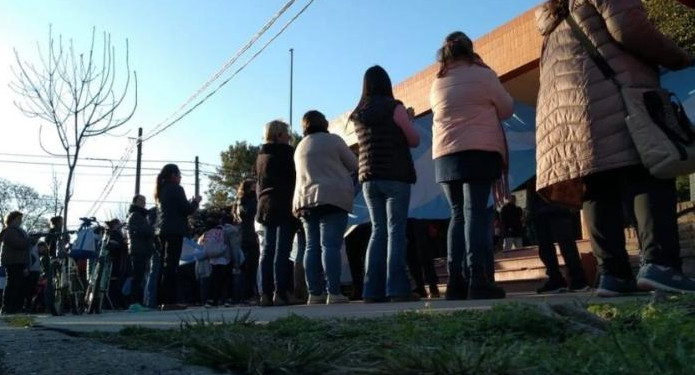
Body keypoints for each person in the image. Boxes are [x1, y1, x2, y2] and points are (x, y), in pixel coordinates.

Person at [536, 0, 695, 296]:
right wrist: (678, 56)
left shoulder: (553, 19)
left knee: (597, 185)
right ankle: (660, 265)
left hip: (568, 115)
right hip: (616, 97)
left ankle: (613, 274)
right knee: (649, 170)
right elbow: (628, 28)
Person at [430, 31, 514, 300]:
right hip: (478, 151)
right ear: (470, 51)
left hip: (444, 156)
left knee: (457, 215)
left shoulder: (437, 82)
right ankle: (479, 278)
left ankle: (455, 281)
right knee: (476, 212)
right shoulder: (484, 75)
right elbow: (507, 108)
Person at [350, 65, 421, 303]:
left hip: (369, 178)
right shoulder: (395, 107)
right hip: (395, 175)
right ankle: (398, 288)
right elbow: (414, 139)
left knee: (378, 231)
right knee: (396, 232)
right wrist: (408, 120)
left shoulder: (358, 114)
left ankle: (372, 290)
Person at [292, 110, 358, 304]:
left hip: (305, 201)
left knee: (311, 247)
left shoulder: (300, 146)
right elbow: (353, 164)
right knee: (330, 246)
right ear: (325, 123)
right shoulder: (333, 140)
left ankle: (314, 293)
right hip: (332, 197)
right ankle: (334, 292)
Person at [256, 120, 300, 306]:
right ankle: (281, 292)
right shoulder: (288, 153)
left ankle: (265, 293)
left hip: (265, 205)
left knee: (267, 250)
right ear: (279, 134)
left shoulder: (261, 156)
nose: (290, 136)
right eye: (287, 133)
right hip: (284, 202)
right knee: (282, 251)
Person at [526, 182, 590, 293]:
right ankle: (575, 279)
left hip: (546, 197)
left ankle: (562, 279)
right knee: (563, 243)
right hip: (554, 196)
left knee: (550, 244)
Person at [155, 163, 201, 305]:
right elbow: (186, 209)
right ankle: (170, 300)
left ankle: (160, 299)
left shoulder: (161, 190)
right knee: (172, 265)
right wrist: (195, 202)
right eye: (179, 175)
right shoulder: (177, 189)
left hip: (162, 230)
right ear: (174, 175)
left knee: (163, 264)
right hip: (175, 230)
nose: (180, 178)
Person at [126, 194, 155, 309]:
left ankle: (137, 302)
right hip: (138, 249)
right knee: (138, 276)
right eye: (142, 200)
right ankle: (134, 302)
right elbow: (145, 231)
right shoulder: (136, 215)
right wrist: (152, 228)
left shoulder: (138, 215)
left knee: (140, 276)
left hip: (140, 249)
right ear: (135, 201)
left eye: (145, 200)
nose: (144, 203)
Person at [233, 179, 260, 304]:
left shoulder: (242, 201)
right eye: (254, 186)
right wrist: (256, 198)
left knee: (249, 267)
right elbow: (249, 212)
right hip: (248, 237)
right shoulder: (243, 201)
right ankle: (247, 295)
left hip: (248, 236)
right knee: (250, 268)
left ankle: (248, 294)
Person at [0, 211, 31, 315]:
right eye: (18, 219)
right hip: (12, 261)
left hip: (19, 261)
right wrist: (29, 241)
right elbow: (17, 244)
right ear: (12, 219)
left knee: (19, 285)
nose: (20, 221)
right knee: (13, 284)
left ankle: (17, 306)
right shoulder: (10, 231)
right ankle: (8, 306)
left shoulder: (18, 231)